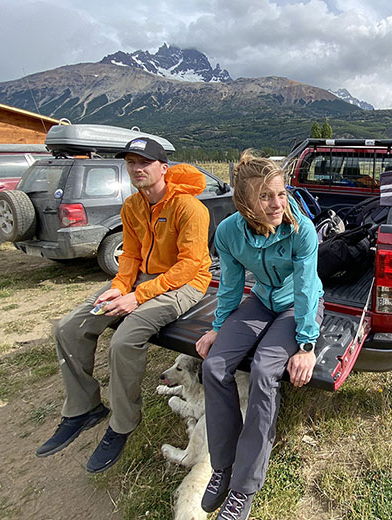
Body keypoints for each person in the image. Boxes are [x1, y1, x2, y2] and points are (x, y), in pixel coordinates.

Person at [35, 137, 212, 473]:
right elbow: (129, 255)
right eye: (131, 162)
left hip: (185, 284)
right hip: (139, 281)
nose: (136, 169)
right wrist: (118, 286)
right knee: (68, 328)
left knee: (124, 339)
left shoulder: (189, 208)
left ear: (163, 168)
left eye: (144, 162)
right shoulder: (131, 205)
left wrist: (137, 296)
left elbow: (189, 265)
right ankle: (83, 408)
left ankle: (122, 423)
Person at [195, 151, 324, 519]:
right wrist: (218, 328)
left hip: (297, 306)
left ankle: (244, 487)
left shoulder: (300, 229)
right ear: (245, 201)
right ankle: (224, 466)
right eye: (265, 196)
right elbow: (232, 287)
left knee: (267, 371)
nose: (276, 204)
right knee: (214, 366)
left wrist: (306, 344)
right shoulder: (228, 232)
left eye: (281, 194)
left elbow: (305, 289)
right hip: (261, 300)